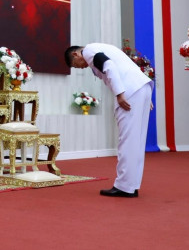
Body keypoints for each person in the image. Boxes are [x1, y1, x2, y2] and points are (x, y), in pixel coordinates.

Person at [65, 43, 154, 198]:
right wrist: (143, 96)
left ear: (75, 55)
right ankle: (131, 185)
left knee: (127, 141)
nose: (80, 68)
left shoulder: (88, 51)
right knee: (137, 141)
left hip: (129, 91)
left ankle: (124, 186)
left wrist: (119, 94)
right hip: (141, 87)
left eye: (75, 65)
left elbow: (109, 65)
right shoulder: (102, 47)